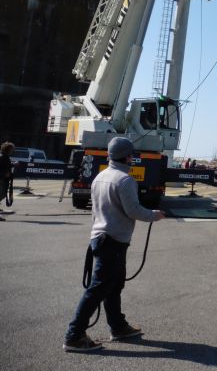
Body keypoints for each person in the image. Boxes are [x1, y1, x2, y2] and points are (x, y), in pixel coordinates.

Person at [63, 137, 166, 352]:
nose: (133, 157)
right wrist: (153, 215)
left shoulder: (100, 177)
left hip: (100, 238)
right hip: (114, 241)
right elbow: (133, 211)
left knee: (113, 286)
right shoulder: (125, 180)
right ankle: (74, 335)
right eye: (132, 154)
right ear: (128, 156)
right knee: (98, 289)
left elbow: (95, 210)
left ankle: (118, 326)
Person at [0, 142, 13, 219]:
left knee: (2, 194)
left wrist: (13, 164)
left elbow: (6, 165)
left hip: (3, 177)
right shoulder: (3, 156)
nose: (12, 151)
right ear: (7, 149)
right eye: (11, 149)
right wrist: (5, 173)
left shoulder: (4, 156)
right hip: (2, 178)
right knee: (2, 194)